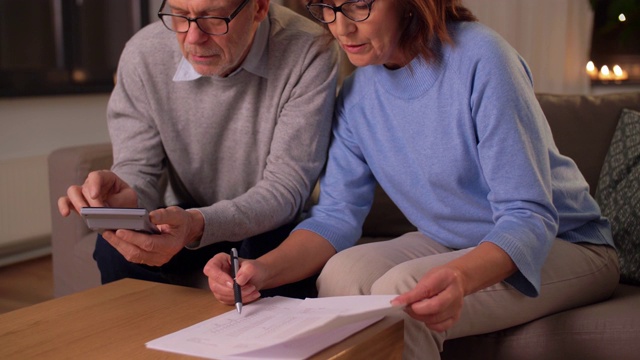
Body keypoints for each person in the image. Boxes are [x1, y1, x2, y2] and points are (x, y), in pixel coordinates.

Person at [204, 0, 620, 357]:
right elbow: (334, 217)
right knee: (341, 273)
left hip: (565, 242)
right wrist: (260, 270)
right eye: (328, 8)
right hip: (454, 237)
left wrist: (460, 276)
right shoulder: (356, 96)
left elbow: (528, 214)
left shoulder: (483, 57)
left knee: (404, 291)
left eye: (359, 5)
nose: (341, 26)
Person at [57, 0, 339, 296]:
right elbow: (138, 168)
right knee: (112, 249)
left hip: (270, 220)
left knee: (262, 257)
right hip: (184, 215)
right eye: (180, 15)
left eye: (214, 18)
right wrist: (127, 199)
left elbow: (286, 188)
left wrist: (196, 225)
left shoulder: (309, 49)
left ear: (258, 7)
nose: (193, 38)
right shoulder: (143, 53)